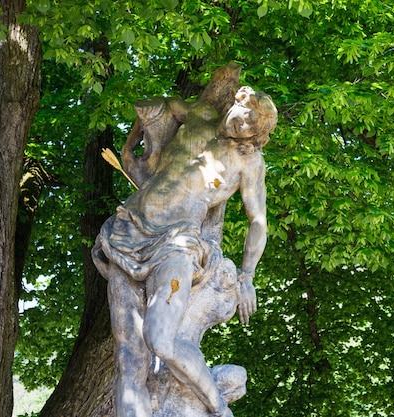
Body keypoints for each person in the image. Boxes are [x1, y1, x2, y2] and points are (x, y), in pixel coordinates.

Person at [93, 86, 278, 417]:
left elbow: (258, 221)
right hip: (128, 231)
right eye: (247, 117)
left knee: (160, 339)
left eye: (254, 128)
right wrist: (130, 148)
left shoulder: (248, 161)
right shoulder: (199, 116)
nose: (246, 128)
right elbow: (152, 108)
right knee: (128, 359)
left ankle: (218, 406)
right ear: (238, 101)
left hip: (179, 244)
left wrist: (247, 275)